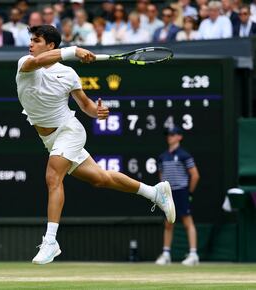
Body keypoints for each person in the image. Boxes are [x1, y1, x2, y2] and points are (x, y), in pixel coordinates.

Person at [15, 25, 175, 265]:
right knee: (100, 179)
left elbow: (86, 105)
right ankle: (154, 192)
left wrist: (96, 111)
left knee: (53, 177)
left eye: (36, 41)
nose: (31, 44)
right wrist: (75, 50)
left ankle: (51, 241)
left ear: (50, 45)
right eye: (30, 40)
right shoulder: (25, 64)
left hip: (69, 131)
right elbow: (40, 61)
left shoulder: (68, 74)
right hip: (49, 139)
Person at [155, 126, 200, 266]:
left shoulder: (184, 155)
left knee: (188, 223)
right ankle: (166, 254)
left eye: (173, 134)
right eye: (168, 134)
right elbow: (161, 176)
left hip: (181, 191)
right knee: (168, 224)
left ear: (179, 137)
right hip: (168, 193)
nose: (170, 136)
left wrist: (189, 192)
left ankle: (193, 254)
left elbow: (195, 175)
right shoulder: (162, 157)